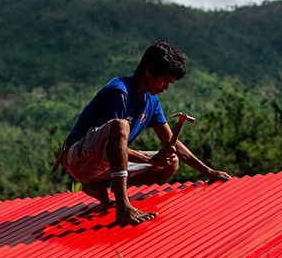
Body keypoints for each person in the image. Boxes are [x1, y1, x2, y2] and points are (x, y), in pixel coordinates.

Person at [55, 40, 231, 225]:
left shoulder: (151, 101)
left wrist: (209, 171)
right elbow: (110, 149)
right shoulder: (119, 92)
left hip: (103, 165)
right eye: (165, 80)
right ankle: (123, 208)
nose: (166, 87)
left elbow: (172, 142)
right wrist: (150, 159)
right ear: (148, 71)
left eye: (169, 82)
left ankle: (99, 185)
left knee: (171, 163)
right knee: (121, 126)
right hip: (79, 160)